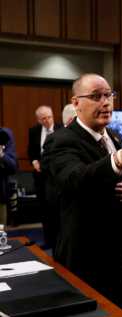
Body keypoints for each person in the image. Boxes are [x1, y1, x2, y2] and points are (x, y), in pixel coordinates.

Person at [45, 73, 122, 303]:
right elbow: (75, 178)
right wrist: (118, 159)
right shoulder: (61, 140)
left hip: (117, 251)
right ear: (76, 103)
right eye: (96, 96)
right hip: (85, 253)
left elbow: (120, 184)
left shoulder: (113, 136)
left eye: (109, 95)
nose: (106, 102)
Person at [27, 105, 63, 248]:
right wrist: (34, 161)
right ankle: (49, 242)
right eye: (43, 119)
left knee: (58, 212)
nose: (47, 121)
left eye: (49, 117)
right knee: (45, 212)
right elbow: (31, 151)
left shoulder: (62, 129)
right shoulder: (34, 131)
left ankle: (60, 241)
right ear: (38, 120)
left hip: (58, 178)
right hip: (41, 179)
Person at [0, 127, 17, 225]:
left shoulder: (4, 135)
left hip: (1, 195)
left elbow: (13, 166)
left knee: (1, 235)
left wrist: (2, 155)